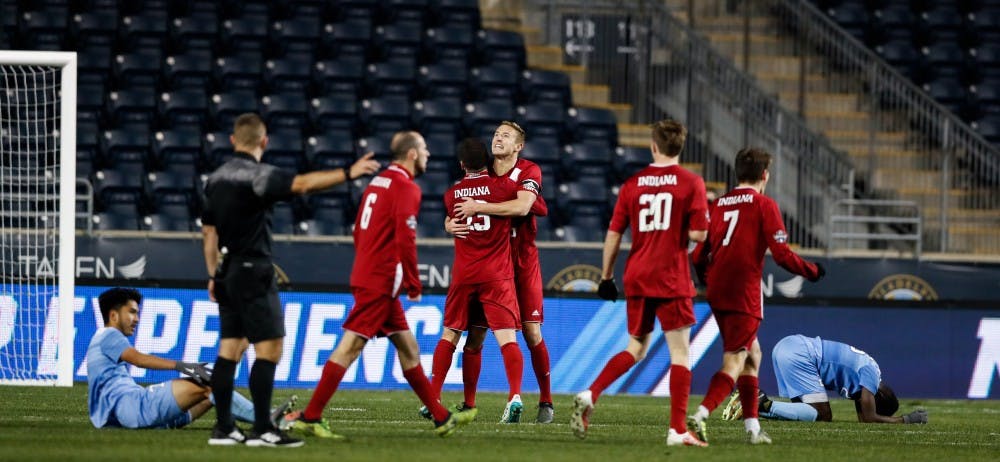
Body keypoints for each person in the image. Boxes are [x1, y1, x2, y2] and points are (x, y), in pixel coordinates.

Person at [201, 113, 380, 447]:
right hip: (254, 269)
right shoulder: (258, 175)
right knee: (269, 350)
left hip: (226, 271)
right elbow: (301, 185)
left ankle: (224, 428)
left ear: (232, 140)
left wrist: (213, 274)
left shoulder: (215, 178)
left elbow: (208, 232)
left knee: (229, 350)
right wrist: (347, 173)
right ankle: (262, 430)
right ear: (264, 141)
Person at [286, 131, 475, 439]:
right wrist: (413, 282)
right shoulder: (406, 187)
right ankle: (311, 415)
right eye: (425, 149)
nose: (428, 154)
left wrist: (367, 264)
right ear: (412, 154)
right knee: (350, 347)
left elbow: (359, 230)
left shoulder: (378, 181)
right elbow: (405, 238)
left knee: (408, 348)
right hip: (381, 282)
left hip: (369, 273)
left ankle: (441, 417)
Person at [569, 120, 709, 447]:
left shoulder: (632, 184)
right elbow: (699, 234)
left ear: (654, 146)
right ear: (680, 146)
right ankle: (676, 429)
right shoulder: (691, 183)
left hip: (637, 274)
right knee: (680, 354)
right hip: (670, 276)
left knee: (636, 348)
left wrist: (606, 276)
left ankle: (591, 393)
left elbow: (614, 233)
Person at [687, 147, 825, 445]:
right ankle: (700, 414)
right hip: (743, 293)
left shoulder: (719, 204)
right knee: (736, 359)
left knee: (753, 355)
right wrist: (813, 271)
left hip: (717, 290)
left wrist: (707, 281)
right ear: (765, 175)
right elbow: (783, 255)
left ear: (738, 173)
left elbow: (698, 255)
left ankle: (752, 428)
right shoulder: (765, 205)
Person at [444, 120, 554, 423]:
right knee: (476, 335)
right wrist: (449, 224)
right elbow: (457, 205)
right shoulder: (483, 172)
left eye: (506, 136)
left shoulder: (529, 171)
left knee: (532, 332)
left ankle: (545, 400)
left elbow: (523, 207)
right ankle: (468, 404)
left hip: (522, 261)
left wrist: (479, 206)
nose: (498, 139)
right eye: (496, 134)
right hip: (491, 265)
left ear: (518, 146)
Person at [86, 287, 296, 434]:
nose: (137, 319)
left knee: (211, 393)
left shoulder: (102, 339)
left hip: (128, 413)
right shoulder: (108, 335)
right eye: (132, 312)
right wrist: (183, 367)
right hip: (134, 406)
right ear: (113, 315)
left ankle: (173, 420)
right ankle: (265, 418)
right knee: (210, 386)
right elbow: (139, 360)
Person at [428, 138, 532, 424]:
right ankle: (514, 396)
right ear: (487, 161)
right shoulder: (505, 188)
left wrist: (447, 224)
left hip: (465, 274)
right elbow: (529, 207)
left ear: (461, 165)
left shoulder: (451, 195)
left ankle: (433, 398)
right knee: (506, 338)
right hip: (496, 275)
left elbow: (453, 219)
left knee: (451, 334)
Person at [721, 334, 928, 425]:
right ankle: (760, 404)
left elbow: (865, 420)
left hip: (790, 346)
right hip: (801, 353)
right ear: (880, 395)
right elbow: (870, 416)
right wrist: (906, 420)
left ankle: (756, 404)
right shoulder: (873, 376)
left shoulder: (868, 372)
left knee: (807, 414)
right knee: (823, 415)